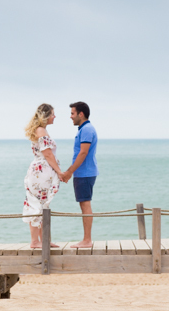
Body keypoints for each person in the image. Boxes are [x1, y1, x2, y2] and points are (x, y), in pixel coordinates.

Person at [22, 103, 64, 249]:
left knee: (42, 205)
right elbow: (47, 153)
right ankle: (35, 241)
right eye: (53, 113)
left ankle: (44, 239)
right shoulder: (41, 130)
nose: (55, 116)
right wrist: (59, 171)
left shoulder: (41, 130)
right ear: (46, 115)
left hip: (41, 171)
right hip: (41, 172)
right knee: (36, 204)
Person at [60, 101, 98, 248]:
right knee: (84, 203)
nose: (71, 117)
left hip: (85, 173)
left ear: (81, 114)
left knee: (85, 204)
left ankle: (87, 240)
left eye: (72, 113)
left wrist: (69, 172)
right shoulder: (83, 129)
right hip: (83, 172)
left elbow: (83, 152)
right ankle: (86, 239)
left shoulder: (87, 129)